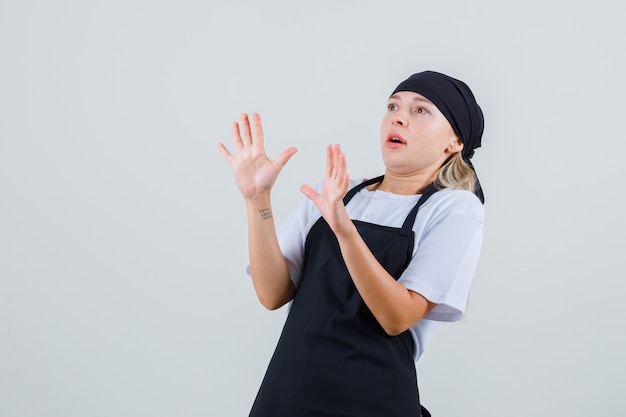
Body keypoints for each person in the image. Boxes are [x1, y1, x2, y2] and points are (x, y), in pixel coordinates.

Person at [217, 70, 485, 417]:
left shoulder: (454, 208)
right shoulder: (336, 193)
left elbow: (396, 316)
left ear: (455, 142)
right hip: (285, 399)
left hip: (372, 404)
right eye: (393, 106)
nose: (399, 117)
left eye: (421, 110)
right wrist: (257, 199)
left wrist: (344, 229)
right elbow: (272, 294)